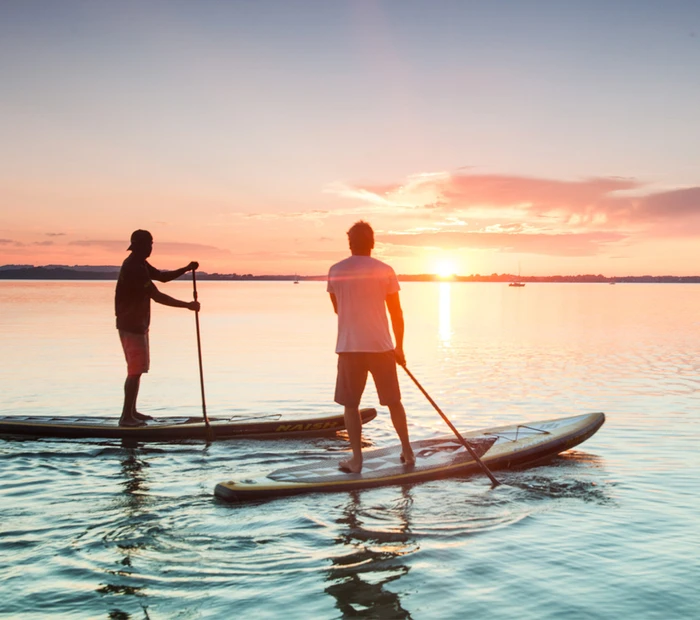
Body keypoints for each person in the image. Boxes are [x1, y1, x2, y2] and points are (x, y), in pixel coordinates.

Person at [327, 220, 415, 473]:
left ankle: (356, 460)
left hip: (349, 346)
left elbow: (337, 308)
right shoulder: (386, 269)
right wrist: (400, 347)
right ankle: (407, 451)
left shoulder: (335, 270)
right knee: (394, 401)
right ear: (373, 244)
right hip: (381, 347)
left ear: (350, 243)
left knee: (351, 405)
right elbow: (396, 313)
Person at [115, 229, 200, 427]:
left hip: (139, 324)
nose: (151, 247)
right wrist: (187, 305)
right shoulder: (134, 266)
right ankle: (125, 417)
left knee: (138, 369)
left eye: (152, 243)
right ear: (140, 246)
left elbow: (162, 277)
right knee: (134, 370)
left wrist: (186, 268)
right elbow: (157, 295)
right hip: (131, 324)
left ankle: (132, 411)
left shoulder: (141, 263)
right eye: (149, 244)